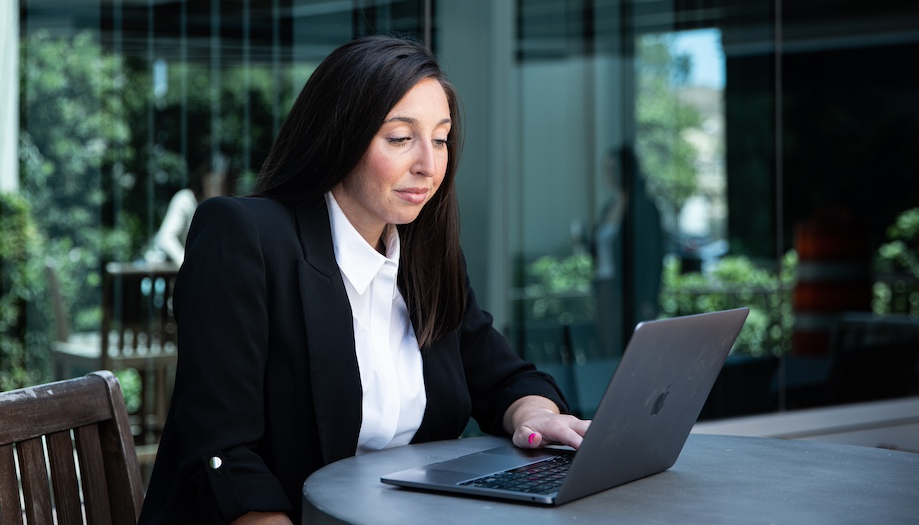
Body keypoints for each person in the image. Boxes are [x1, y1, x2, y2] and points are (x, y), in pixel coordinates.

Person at [138, 36, 589, 525]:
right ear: (339, 137)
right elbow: (222, 452)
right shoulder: (244, 237)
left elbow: (502, 375)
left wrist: (534, 414)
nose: (429, 165)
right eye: (400, 138)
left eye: (440, 138)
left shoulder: (424, 255)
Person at [591, 146, 665, 355]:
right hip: (605, 287)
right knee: (607, 346)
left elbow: (653, 256)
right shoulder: (608, 207)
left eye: (614, 168)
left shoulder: (643, 207)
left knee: (631, 349)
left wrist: (649, 297)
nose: (609, 174)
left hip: (628, 289)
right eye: (606, 168)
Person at [153, 153, 230, 268]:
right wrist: (186, 265)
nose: (216, 190)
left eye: (221, 185)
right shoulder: (186, 200)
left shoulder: (228, 207)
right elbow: (165, 237)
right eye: (212, 184)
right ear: (203, 178)